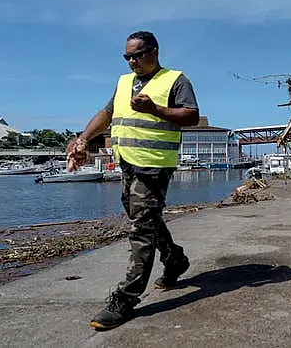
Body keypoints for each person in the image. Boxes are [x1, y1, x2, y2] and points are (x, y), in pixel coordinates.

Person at [67, 31, 200, 330]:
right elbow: (108, 112)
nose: (131, 62)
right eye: (127, 56)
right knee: (145, 218)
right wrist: (83, 139)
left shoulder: (176, 80)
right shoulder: (124, 82)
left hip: (154, 166)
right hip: (127, 164)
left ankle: (125, 298)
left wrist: (155, 109)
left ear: (153, 51)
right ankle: (174, 259)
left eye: (137, 55)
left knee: (140, 228)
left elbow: (191, 116)